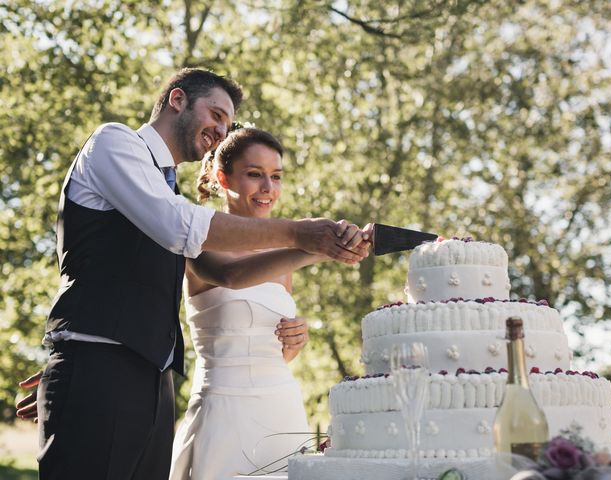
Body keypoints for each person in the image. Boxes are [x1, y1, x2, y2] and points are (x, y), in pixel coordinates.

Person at [15, 67, 370, 480]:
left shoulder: (165, 190)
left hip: (152, 380)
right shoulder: (114, 143)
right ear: (177, 100)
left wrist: (317, 248)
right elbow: (177, 224)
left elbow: (229, 274)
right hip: (99, 365)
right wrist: (84, 362)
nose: (221, 129)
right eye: (216, 114)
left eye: (227, 121)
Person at [169, 127, 352, 479]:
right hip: (225, 410)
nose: (268, 188)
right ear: (223, 178)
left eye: (276, 177)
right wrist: (315, 249)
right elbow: (235, 276)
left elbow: (272, 347)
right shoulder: (198, 240)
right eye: (255, 175)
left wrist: (295, 340)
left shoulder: (284, 259)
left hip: (281, 406)